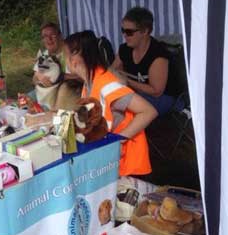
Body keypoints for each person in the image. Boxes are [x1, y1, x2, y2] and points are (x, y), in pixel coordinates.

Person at [64, 30, 158, 176]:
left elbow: (148, 111)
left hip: (127, 165)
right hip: (111, 161)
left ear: (74, 60)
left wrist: (118, 140)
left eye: (65, 55)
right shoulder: (90, 82)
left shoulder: (106, 84)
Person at [112, 7, 177, 116]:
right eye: (123, 30)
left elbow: (156, 91)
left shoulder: (158, 54)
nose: (124, 35)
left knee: (125, 111)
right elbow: (113, 70)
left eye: (129, 32)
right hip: (137, 93)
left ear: (145, 31)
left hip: (163, 97)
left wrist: (127, 80)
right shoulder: (125, 49)